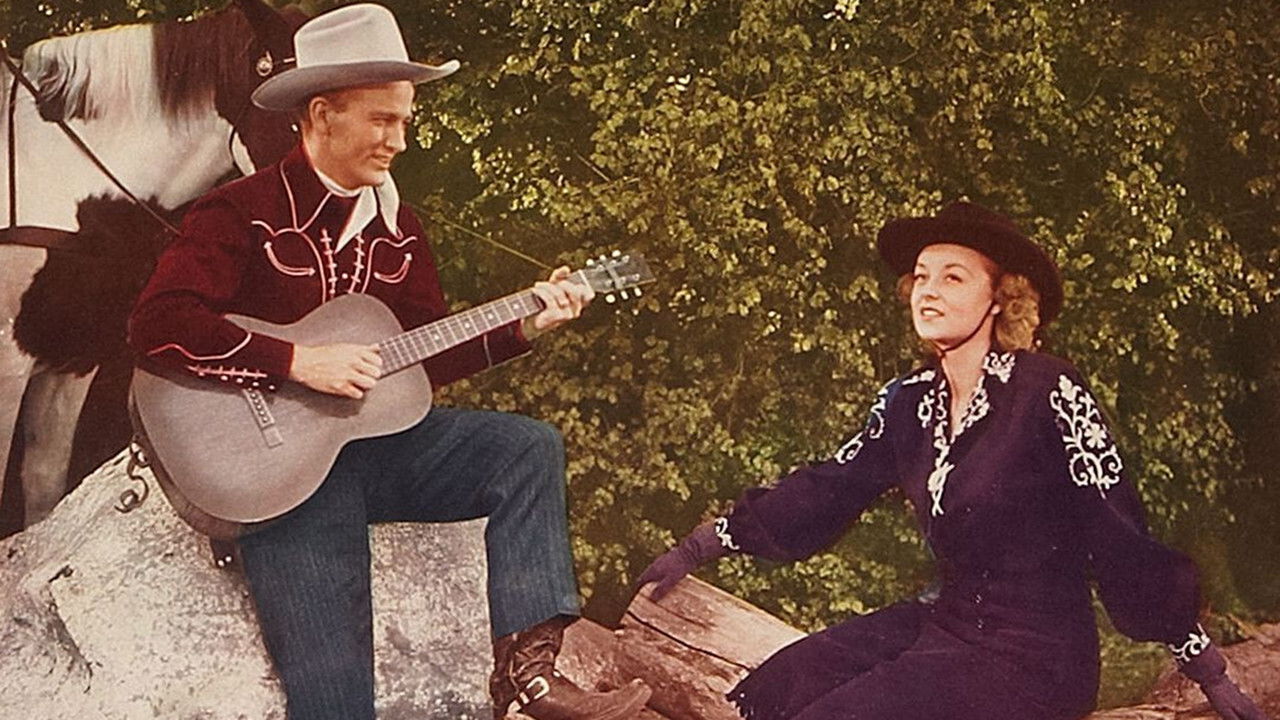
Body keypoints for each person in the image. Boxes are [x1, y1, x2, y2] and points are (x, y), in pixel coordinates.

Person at [126, 5, 651, 719]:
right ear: (322, 114)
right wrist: (293, 361)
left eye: (404, 120)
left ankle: (528, 680)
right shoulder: (239, 211)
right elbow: (157, 324)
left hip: (371, 447)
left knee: (527, 448)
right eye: (382, 120)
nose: (399, 140)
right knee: (337, 703)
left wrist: (525, 324)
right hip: (275, 476)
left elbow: (421, 359)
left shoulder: (400, 230)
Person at [637, 201, 1270, 720]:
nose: (927, 292)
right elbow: (831, 486)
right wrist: (705, 544)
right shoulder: (908, 403)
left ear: (1001, 299)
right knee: (780, 689)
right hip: (943, 624)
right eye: (921, 275)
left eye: (953, 277)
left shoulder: (1046, 391)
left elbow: (1118, 528)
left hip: (1035, 659)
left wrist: (1204, 666)